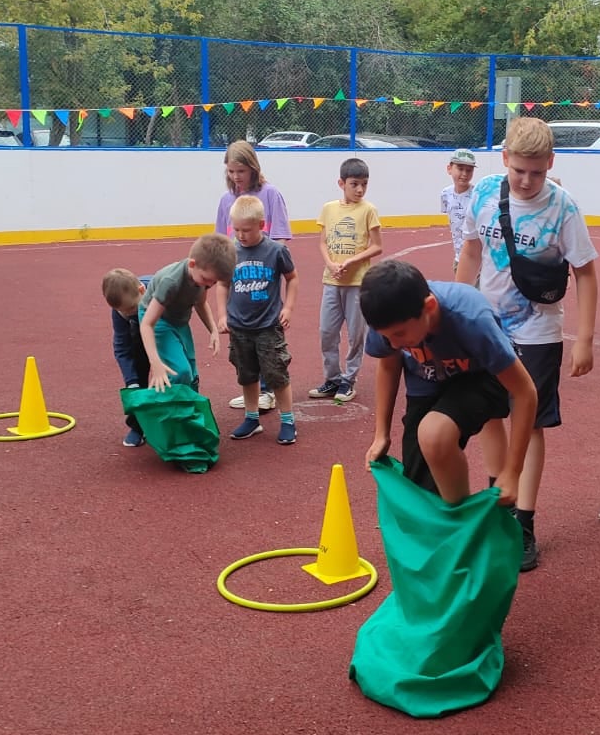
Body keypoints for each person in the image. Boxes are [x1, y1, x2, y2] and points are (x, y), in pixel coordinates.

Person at [455, 116, 599, 571]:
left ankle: (524, 521)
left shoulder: (563, 207)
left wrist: (585, 339)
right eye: (519, 170)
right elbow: (472, 252)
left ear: (550, 164)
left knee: (529, 422)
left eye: (537, 172)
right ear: (504, 160)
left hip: (538, 332)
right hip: (486, 324)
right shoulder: (483, 193)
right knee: (488, 414)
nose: (527, 180)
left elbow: (586, 273)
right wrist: (459, 311)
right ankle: (499, 498)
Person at [360, 260, 539, 508]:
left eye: (399, 334)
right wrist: (382, 434)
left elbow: (525, 392)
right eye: (386, 337)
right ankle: (448, 523)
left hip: (481, 377)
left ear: (429, 307)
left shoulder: (470, 318)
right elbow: (389, 365)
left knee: (435, 434)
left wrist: (512, 472)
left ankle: (460, 525)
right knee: (420, 490)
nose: (394, 343)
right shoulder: (389, 323)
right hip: (427, 379)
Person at [217, 195, 300, 445]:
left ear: (262, 225)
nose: (241, 235)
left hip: (268, 326)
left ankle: (288, 421)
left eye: (247, 230)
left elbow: (292, 278)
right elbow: (222, 284)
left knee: (276, 374)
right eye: (237, 229)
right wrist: (222, 315)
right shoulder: (230, 251)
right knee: (247, 374)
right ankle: (252, 418)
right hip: (239, 328)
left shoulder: (276, 251)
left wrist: (288, 307)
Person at [215, 141, 292, 412]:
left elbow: (281, 237)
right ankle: (255, 390)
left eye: (241, 171)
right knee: (243, 338)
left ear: (253, 168)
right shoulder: (226, 200)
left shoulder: (270, 194)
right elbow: (223, 241)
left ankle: (270, 389)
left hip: (264, 272)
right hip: (238, 274)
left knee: (267, 335)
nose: (236, 176)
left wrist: (268, 260)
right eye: (231, 171)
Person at [311, 157, 383, 404]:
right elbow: (322, 242)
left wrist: (352, 261)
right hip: (332, 281)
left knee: (356, 333)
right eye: (354, 184)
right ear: (341, 183)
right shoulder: (329, 209)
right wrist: (330, 264)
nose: (360, 189)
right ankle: (332, 379)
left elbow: (377, 246)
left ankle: (348, 380)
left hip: (357, 283)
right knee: (326, 332)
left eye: (364, 184)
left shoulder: (368, 210)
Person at [138, 233, 236, 393]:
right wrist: (155, 362)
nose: (209, 285)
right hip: (158, 319)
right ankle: (166, 410)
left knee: (191, 372)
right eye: (207, 279)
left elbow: (201, 302)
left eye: (214, 282)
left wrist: (212, 330)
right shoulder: (171, 282)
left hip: (179, 319)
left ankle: (188, 409)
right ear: (192, 264)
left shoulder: (203, 278)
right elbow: (147, 324)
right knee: (179, 372)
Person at [103, 268, 154, 447]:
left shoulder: (159, 292)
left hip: (164, 331)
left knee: (175, 374)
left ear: (141, 291)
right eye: (122, 311)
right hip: (137, 337)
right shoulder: (121, 312)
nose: (128, 313)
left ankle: (177, 421)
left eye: (132, 308)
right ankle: (137, 426)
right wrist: (131, 381)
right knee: (137, 380)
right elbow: (122, 348)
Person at [440, 148, 477, 272]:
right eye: (460, 168)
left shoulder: (477, 195)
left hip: (477, 258)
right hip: (459, 257)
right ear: (449, 169)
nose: (465, 174)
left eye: (469, 170)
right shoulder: (445, 194)